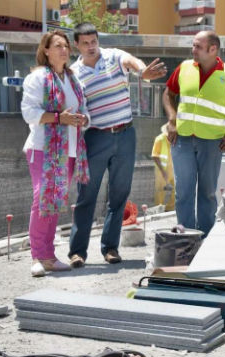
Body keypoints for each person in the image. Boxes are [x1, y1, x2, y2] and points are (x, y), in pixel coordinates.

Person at [68, 22, 167, 267]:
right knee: (86, 196)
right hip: (95, 138)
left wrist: (143, 71)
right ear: (77, 45)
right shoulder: (74, 73)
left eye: (94, 41)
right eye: (86, 43)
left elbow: (132, 62)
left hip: (125, 135)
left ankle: (110, 248)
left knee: (119, 194)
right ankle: (77, 252)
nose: (92, 47)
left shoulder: (113, 56)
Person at [162, 30, 225, 235]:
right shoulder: (185, 68)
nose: (193, 49)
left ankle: (204, 237)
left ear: (213, 49)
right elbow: (168, 93)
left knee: (206, 193)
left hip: (212, 143)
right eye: (193, 45)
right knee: (183, 192)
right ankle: (186, 236)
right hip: (183, 139)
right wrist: (172, 119)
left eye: (197, 46)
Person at [21, 30, 90, 277]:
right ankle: (37, 256)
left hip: (69, 151)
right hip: (43, 148)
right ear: (46, 50)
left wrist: (83, 119)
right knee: (42, 198)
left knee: (55, 202)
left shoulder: (73, 79)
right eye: (57, 45)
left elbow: (83, 110)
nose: (63, 49)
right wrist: (61, 118)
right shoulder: (38, 77)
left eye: (66, 46)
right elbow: (29, 113)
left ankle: (49, 256)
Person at [151, 123, 175, 211]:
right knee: (160, 192)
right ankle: (159, 210)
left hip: (173, 170)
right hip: (161, 171)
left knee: (176, 191)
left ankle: (169, 208)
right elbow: (155, 156)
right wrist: (163, 171)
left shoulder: (175, 139)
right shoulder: (160, 139)